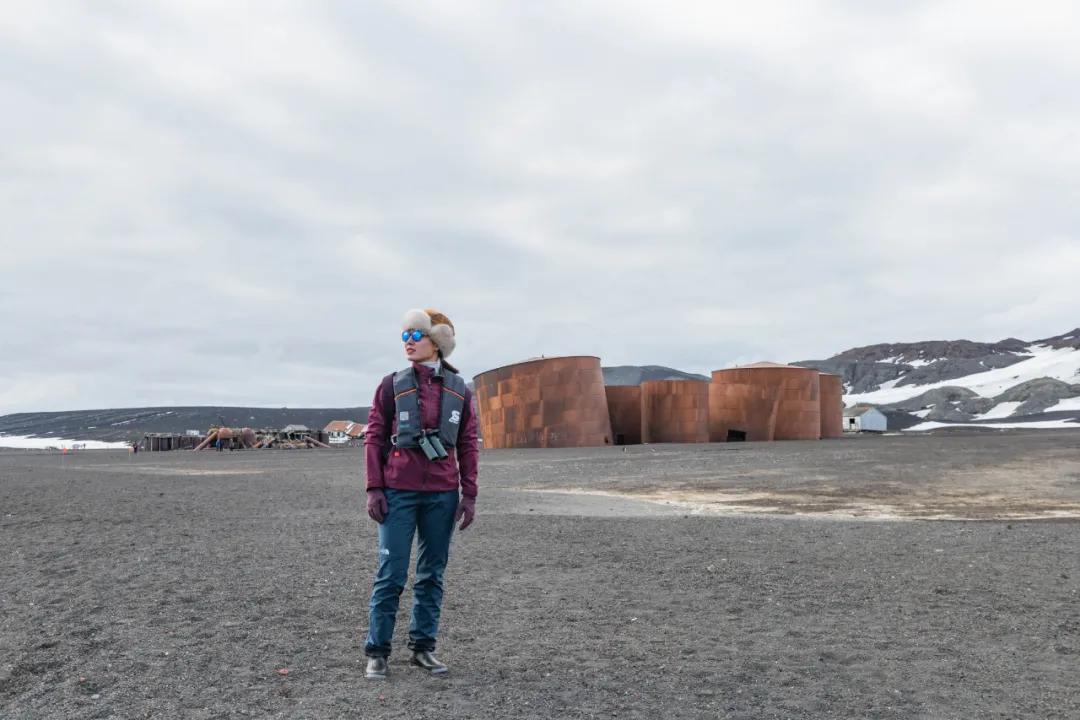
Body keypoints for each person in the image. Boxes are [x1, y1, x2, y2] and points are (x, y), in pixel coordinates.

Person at [362, 308, 479, 680]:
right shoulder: (391, 385)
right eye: (405, 336)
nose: (408, 342)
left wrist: (470, 494)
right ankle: (377, 652)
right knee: (391, 574)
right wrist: (374, 487)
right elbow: (374, 437)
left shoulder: (460, 390)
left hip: (442, 494)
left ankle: (423, 648)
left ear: (438, 342)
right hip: (398, 492)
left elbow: (468, 445)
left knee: (432, 574)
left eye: (417, 335)